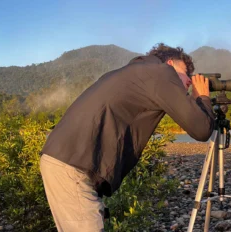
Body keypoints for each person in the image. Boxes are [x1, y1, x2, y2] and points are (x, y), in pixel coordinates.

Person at [39, 43, 215, 232]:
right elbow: (201, 130)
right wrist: (202, 98)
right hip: (72, 166)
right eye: (186, 72)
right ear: (170, 63)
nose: (189, 81)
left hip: (67, 161)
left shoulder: (135, 73)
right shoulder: (161, 72)